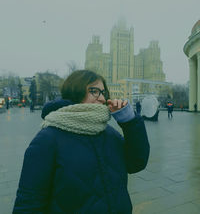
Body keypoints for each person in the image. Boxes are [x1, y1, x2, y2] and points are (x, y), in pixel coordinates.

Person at [13, 70, 150, 214]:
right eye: (94, 91)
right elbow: (29, 202)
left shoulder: (107, 132)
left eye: (103, 92)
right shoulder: (48, 139)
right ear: (75, 90)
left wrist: (129, 122)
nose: (102, 98)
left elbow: (136, 163)